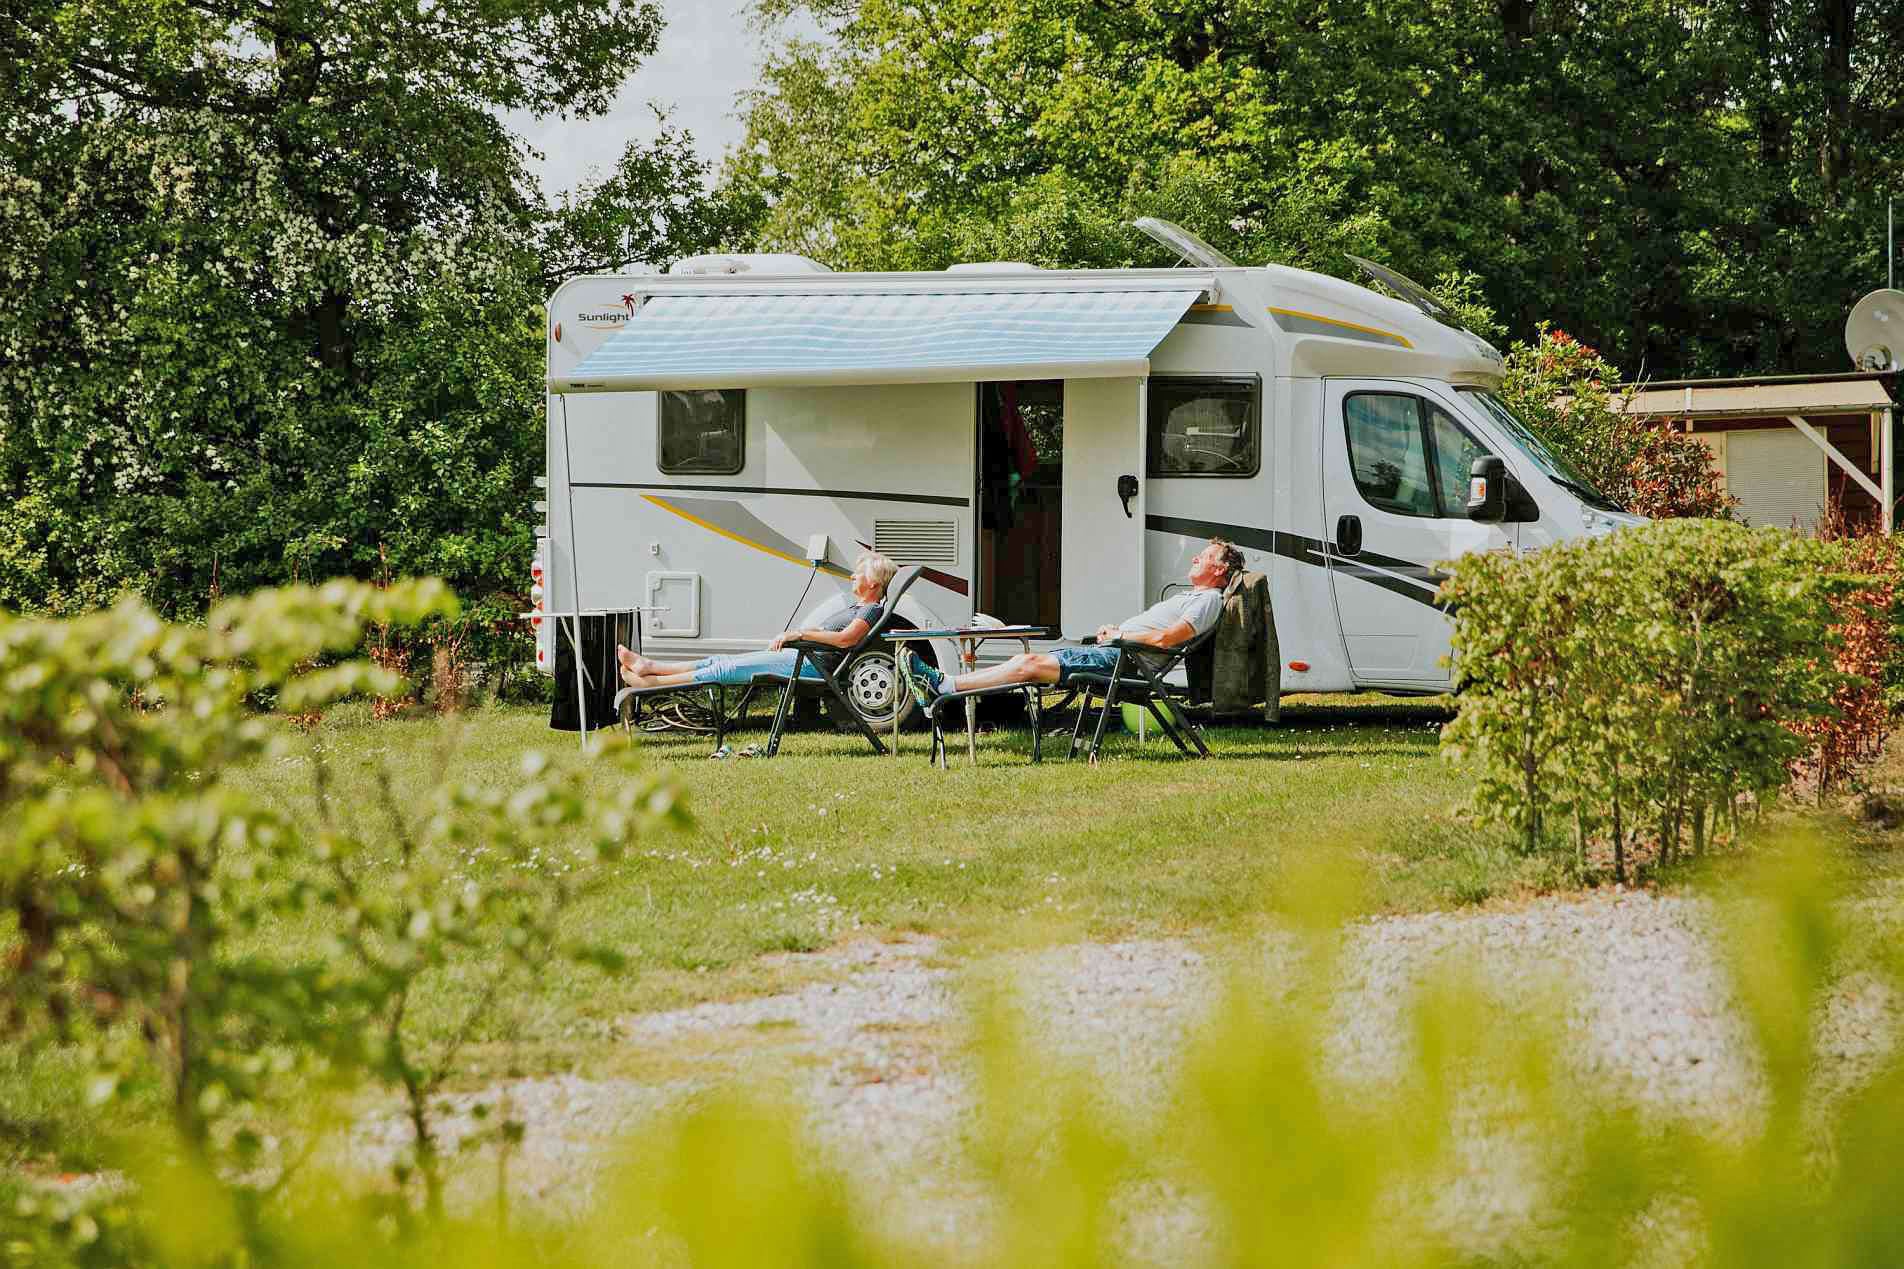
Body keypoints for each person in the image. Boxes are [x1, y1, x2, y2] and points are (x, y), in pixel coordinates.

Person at [913, 538, 1244, 699]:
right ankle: (945, 686)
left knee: (1027, 665)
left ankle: (943, 686)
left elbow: (1166, 639)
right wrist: (1116, 632)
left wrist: (1120, 637)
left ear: (1219, 570)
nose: (1197, 557)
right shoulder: (1195, 596)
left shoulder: (1207, 601)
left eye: (1207, 556)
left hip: (1124, 664)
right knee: (1026, 662)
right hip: (1118, 655)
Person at [617, 550, 898, 691]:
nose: (852, 576)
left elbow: (845, 640)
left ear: (873, 583)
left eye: (858, 574)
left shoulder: (871, 611)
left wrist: (799, 635)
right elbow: (832, 634)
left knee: (726, 670)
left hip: (812, 666)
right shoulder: (859, 606)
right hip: (804, 658)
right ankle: (651, 667)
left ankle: (653, 683)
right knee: (718, 661)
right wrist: (799, 633)